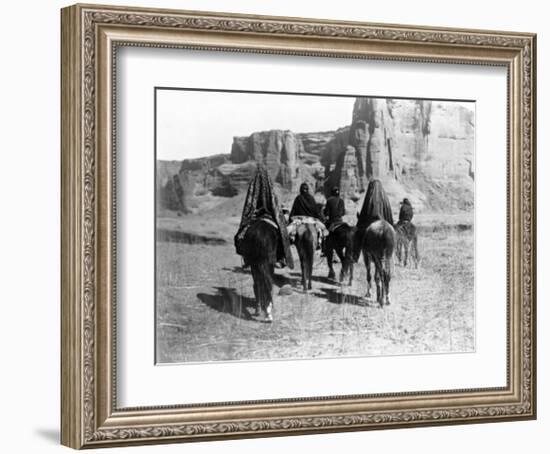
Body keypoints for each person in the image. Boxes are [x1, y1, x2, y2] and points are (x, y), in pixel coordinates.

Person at [234, 165, 294, 269]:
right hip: (269, 216)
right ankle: (280, 258)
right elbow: (274, 205)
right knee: (282, 235)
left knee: (240, 236)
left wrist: (247, 218)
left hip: (255, 216)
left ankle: (246, 258)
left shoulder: (253, 186)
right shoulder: (270, 186)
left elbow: (248, 205)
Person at [287, 182, 327, 248]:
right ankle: (320, 243)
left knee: (287, 232)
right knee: (322, 230)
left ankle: (286, 247)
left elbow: (293, 211)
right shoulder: (311, 198)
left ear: (300, 190)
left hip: (299, 220)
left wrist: (290, 220)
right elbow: (316, 211)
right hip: (311, 220)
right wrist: (319, 219)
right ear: (307, 189)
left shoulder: (298, 198)